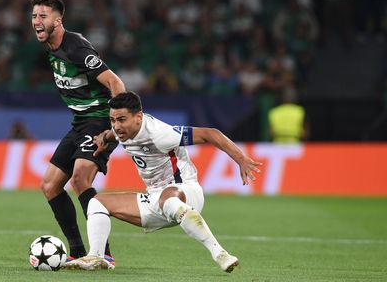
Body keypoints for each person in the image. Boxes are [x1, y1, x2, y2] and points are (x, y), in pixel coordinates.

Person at [66, 92, 262, 272]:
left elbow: (211, 133)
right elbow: (111, 134)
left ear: (139, 117)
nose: (116, 125)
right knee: (96, 202)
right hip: (154, 200)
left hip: (186, 192)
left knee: (169, 199)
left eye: (121, 120)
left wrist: (241, 159)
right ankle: (97, 257)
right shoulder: (121, 130)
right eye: (113, 120)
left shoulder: (160, 134)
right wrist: (103, 138)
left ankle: (220, 254)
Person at [30, 0, 125, 266]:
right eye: (34, 15)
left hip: (99, 122)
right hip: (80, 122)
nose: (37, 21)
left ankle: (103, 254)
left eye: (43, 16)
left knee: (81, 179)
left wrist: (115, 124)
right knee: (49, 186)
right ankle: (78, 252)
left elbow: (116, 83)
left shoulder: (76, 48)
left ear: (58, 20)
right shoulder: (50, 45)